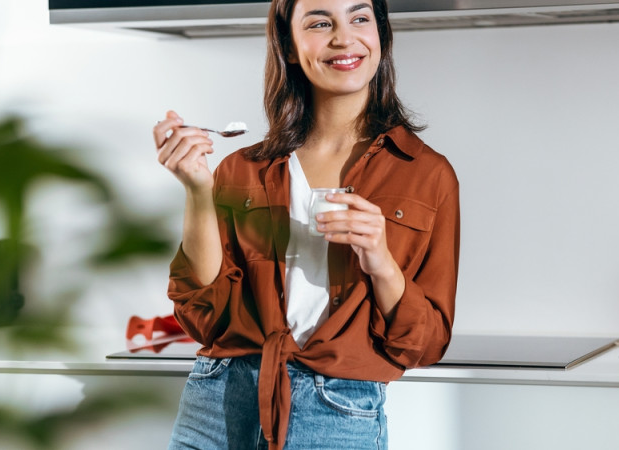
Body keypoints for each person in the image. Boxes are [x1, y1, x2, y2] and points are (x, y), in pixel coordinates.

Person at [153, 0, 459, 448]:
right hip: (217, 404)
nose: (343, 37)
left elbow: (425, 344)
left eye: (359, 18)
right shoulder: (243, 169)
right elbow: (205, 316)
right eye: (320, 23)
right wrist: (197, 190)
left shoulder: (426, 175)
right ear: (291, 47)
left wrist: (380, 261)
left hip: (338, 412)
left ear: (381, 37)